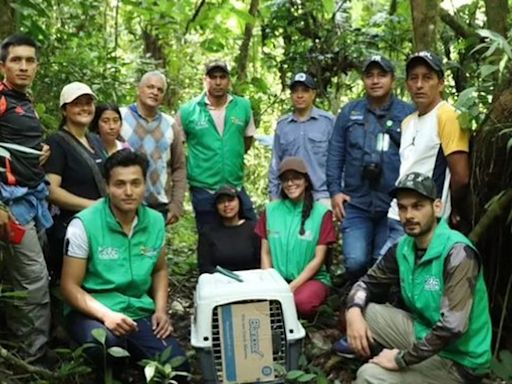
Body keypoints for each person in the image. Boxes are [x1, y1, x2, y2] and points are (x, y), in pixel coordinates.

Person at [340, 172, 491, 384]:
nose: (408, 215)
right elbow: (366, 284)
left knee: (368, 376)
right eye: (403, 207)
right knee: (365, 311)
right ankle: (382, 359)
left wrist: (401, 359)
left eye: (417, 206)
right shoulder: (404, 248)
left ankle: (393, 369)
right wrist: (353, 312)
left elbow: (452, 326)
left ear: (437, 207)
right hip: (425, 333)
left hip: (460, 362)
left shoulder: (457, 253)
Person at [60, 149, 190, 382]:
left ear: (144, 185)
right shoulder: (84, 224)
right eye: (120, 184)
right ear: (107, 186)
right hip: (94, 312)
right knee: (105, 346)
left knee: (178, 370)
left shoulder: (155, 221)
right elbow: (69, 286)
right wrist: (107, 315)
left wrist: (160, 310)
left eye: (135, 183)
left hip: (138, 311)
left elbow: (159, 269)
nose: (129, 192)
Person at [326, 55, 415, 281]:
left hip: (393, 204)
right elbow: (335, 153)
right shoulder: (349, 113)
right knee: (355, 261)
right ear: (363, 80)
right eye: (370, 76)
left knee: (382, 262)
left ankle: (372, 309)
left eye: (381, 75)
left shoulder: (407, 114)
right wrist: (335, 191)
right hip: (356, 203)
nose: (375, 81)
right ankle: (354, 299)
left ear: (392, 80)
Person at [0, 33, 54, 365]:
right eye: (16, 60)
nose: (23, 66)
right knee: (33, 277)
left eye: (29, 60)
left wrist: (41, 150)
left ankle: (29, 341)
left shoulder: (24, 100)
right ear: (2, 65)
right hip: (12, 205)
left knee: (31, 274)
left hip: (32, 200)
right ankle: (32, 356)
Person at [384, 51, 471, 254]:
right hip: (398, 215)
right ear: (407, 84)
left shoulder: (447, 115)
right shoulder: (408, 122)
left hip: (426, 221)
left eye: (427, 78)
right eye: (414, 78)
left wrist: (452, 208)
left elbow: (461, 177)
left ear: (440, 83)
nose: (419, 85)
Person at [176, 59, 257, 232]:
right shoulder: (188, 110)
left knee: (251, 230)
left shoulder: (242, 106)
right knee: (209, 238)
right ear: (205, 80)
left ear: (229, 80)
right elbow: (177, 149)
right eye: (213, 77)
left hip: (235, 185)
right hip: (204, 188)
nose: (218, 82)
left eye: (222, 77)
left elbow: (247, 141)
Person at [256, 157, 336, 317]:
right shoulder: (271, 210)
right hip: (278, 280)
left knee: (301, 303)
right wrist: (269, 282)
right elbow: (266, 252)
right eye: (285, 180)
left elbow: (318, 259)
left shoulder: (321, 213)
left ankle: (321, 310)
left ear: (306, 181)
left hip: (309, 280)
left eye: (296, 178)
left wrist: (290, 288)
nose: (290, 183)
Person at [45, 82, 107, 280]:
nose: (85, 108)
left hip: (100, 225)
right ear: (65, 110)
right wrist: (92, 205)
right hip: (72, 227)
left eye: (88, 103)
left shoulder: (96, 140)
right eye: (77, 103)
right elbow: (51, 190)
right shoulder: (57, 142)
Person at [120, 71, 186, 225]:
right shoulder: (120, 118)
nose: (155, 92)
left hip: (158, 206)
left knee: (156, 249)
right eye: (150, 87)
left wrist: (176, 205)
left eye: (160, 90)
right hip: (123, 203)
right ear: (139, 88)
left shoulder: (171, 125)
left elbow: (179, 167)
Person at [269, 72, 334, 207]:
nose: (300, 95)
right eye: (295, 91)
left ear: (313, 94)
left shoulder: (328, 122)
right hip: (290, 197)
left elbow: (339, 161)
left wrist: (338, 193)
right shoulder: (283, 125)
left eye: (305, 91)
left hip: (322, 196)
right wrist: (274, 196)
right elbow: (276, 163)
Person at [197, 184, 260, 274]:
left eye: (230, 200)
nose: (226, 205)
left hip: (251, 282)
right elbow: (205, 267)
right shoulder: (208, 232)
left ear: (239, 202)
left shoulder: (253, 228)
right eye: (221, 202)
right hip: (219, 283)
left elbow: (261, 262)